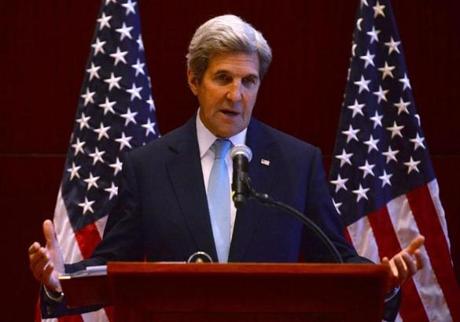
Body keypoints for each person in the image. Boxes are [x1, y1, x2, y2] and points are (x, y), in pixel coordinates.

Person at [28, 14, 424, 320]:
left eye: (249, 81)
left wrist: (382, 281)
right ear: (193, 79)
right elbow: (108, 266)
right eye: (223, 78)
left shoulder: (295, 162)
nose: (237, 95)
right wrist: (61, 281)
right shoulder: (147, 166)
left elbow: (338, 260)